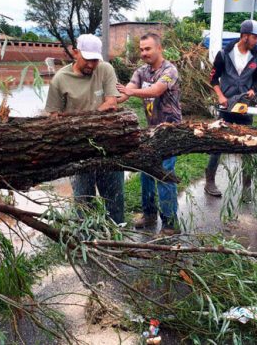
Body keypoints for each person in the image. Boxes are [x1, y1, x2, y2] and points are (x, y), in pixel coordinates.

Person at [44, 34, 124, 223]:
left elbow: (112, 103)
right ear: (75, 52)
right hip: (79, 148)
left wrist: (79, 119)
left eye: (95, 60)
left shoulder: (105, 69)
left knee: (114, 196)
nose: (91, 65)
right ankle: (86, 239)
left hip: (108, 143)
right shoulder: (60, 79)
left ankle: (117, 233)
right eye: (87, 60)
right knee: (83, 198)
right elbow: (54, 117)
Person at [117, 33, 182, 234]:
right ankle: (149, 214)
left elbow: (155, 91)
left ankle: (170, 223)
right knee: (146, 172)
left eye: (148, 49)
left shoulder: (170, 70)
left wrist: (129, 93)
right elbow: (127, 91)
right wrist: (111, 99)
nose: (144, 53)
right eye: (141, 49)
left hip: (171, 131)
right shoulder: (141, 71)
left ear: (159, 48)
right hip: (151, 131)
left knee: (164, 174)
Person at [204, 19, 257, 198]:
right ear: (244, 36)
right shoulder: (224, 54)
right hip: (227, 104)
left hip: (245, 105)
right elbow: (214, 79)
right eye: (255, 37)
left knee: (247, 144)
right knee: (218, 144)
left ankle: (246, 187)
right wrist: (220, 96)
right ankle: (209, 182)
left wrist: (253, 90)